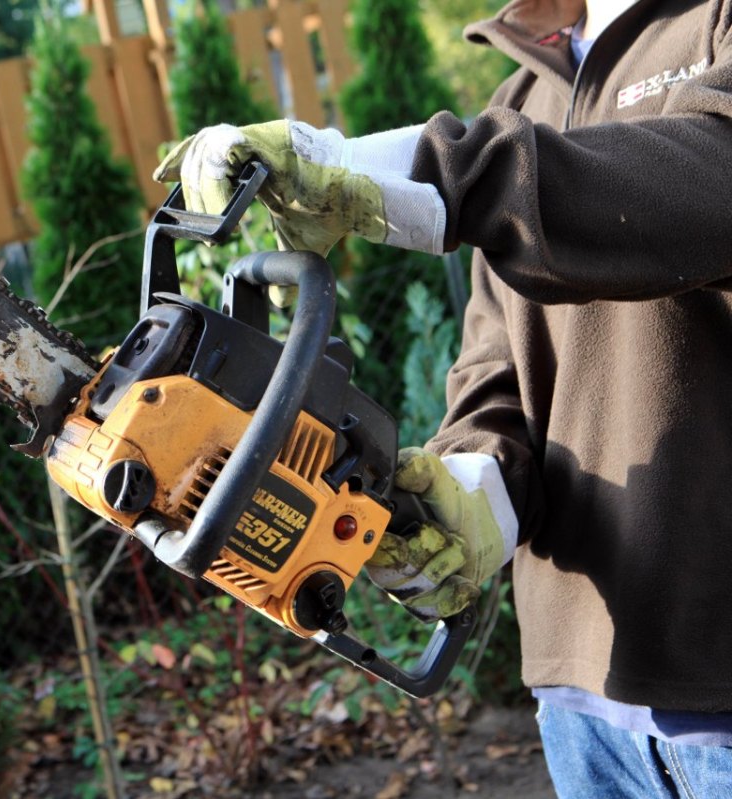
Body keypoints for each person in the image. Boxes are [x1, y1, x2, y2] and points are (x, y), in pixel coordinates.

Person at [154, 0, 732, 796]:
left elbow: (711, 176)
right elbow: (501, 369)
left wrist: (425, 175)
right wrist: (475, 492)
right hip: (583, 704)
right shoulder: (523, 97)